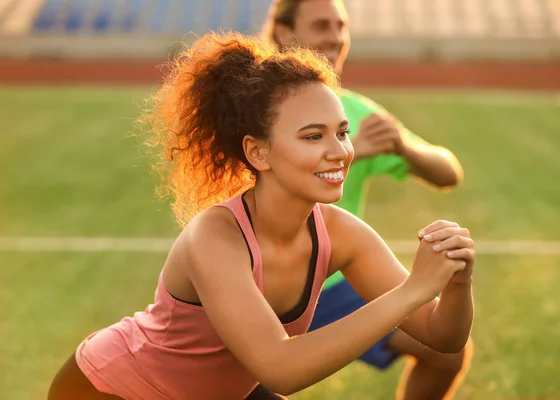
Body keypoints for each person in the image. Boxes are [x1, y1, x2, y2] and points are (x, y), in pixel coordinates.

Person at [48, 32, 475, 400]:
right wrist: (412, 291)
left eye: (342, 132)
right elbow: (279, 369)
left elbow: (443, 338)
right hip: (115, 388)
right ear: (258, 151)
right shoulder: (215, 235)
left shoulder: (342, 234)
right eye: (312, 136)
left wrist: (456, 285)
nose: (340, 151)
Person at [262, 1, 473, 399]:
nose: (336, 38)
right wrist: (350, 148)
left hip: (332, 282)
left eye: (342, 26)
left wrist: (404, 147)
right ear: (285, 34)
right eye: (322, 25)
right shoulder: (253, 106)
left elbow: (448, 173)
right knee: (250, 383)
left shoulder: (354, 111)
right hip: (259, 281)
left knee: (446, 352)